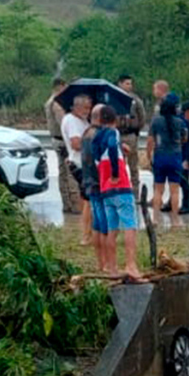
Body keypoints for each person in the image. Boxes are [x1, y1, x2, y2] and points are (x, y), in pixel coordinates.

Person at [92, 106, 143, 281]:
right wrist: (115, 172)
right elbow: (112, 147)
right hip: (120, 185)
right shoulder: (113, 133)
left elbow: (103, 156)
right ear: (115, 119)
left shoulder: (95, 137)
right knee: (130, 226)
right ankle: (130, 264)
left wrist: (121, 151)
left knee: (112, 229)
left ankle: (112, 268)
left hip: (105, 189)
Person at [146, 93, 187, 227]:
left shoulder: (156, 121)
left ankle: (155, 219)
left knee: (158, 190)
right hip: (175, 157)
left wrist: (149, 155)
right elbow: (184, 138)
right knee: (174, 190)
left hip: (160, 156)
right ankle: (175, 220)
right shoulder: (179, 122)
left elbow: (150, 140)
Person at [44, 78, 79, 214]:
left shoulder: (49, 101)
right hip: (62, 140)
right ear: (60, 86)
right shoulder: (57, 103)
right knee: (70, 172)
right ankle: (74, 204)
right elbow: (64, 123)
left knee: (63, 172)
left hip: (56, 139)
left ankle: (66, 203)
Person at [61, 95, 93, 243]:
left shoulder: (82, 120)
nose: (88, 111)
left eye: (89, 107)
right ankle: (86, 235)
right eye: (86, 108)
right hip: (80, 164)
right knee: (88, 199)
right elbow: (76, 144)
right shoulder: (72, 121)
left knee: (86, 198)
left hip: (82, 162)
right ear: (76, 107)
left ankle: (88, 231)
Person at [81, 104, 109, 271]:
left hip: (90, 183)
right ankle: (106, 264)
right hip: (101, 184)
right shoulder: (99, 136)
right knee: (105, 226)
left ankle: (101, 263)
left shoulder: (86, 133)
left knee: (97, 225)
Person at [116, 74, 147, 204]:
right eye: (127, 83)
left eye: (131, 83)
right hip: (117, 135)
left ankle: (135, 194)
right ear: (120, 84)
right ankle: (119, 192)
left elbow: (142, 116)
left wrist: (136, 130)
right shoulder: (114, 97)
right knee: (117, 166)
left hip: (131, 135)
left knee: (133, 166)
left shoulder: (135, 100)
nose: (130, 86)